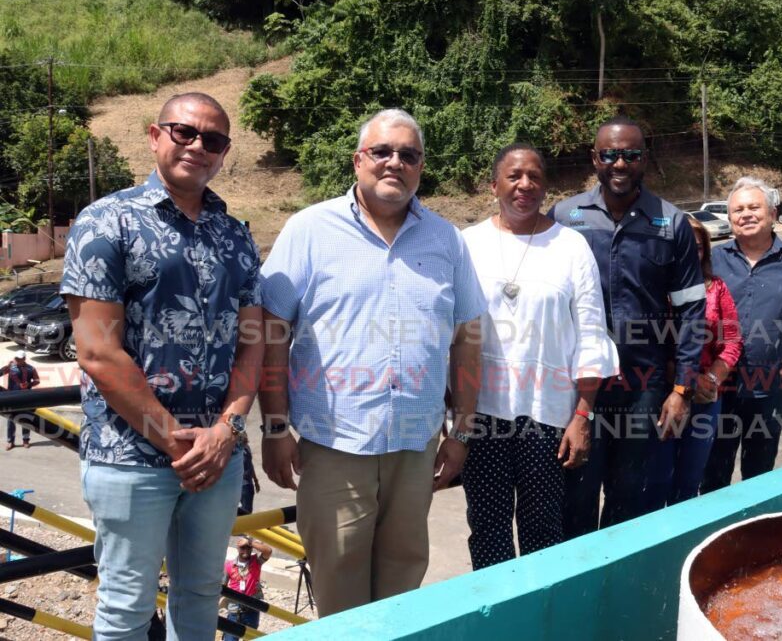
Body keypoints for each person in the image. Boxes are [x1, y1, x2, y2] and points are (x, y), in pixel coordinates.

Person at [258, 108, 486, 615]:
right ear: (357, 160)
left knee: (402, 590)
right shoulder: (309, 230)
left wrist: (462, 431)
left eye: (408, 154)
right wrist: (275, 428)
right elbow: (269, 332)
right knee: (340, 598)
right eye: (381, 151)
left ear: (421, 167)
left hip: (415, 449)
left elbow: (468, 338)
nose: (394, 163)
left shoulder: (446, 240)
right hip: (335, 447)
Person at [62, 92, 264, 640]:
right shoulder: (106, 222)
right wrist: (178, 441)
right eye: (184, 132)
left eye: (214, 139)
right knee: (126, 610)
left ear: (225, 152)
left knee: (200, 599)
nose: (198, 146)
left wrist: (228, 430)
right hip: (130, 457)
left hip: (217, 459)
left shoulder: (235, 234)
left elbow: (253, 343)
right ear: (155, 136)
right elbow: (98, 351)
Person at [460, 144, 618, 569]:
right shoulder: (466, 244)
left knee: (544, 532)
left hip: (549, 417)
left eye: (534, 176)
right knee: (488, 530)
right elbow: (450, 332)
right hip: (482, 417)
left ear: (545, 186)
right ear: (494, 185)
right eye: (513, 176)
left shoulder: (571, 247)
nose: (524, 185)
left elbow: (590, 334)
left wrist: (582, 416)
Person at [549, 116, 706, 536]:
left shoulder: (671, 224)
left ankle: (613, 590)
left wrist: (681, 390)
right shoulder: (564, 217)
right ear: (594, 158)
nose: (620, 163)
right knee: (575, 494)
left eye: (631, 154)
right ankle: (578, 588)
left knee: (628, 496)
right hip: (579, 383)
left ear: (644, 159)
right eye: (610, 154)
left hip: (643, 387)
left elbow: (693, 312)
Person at [700, 176, 782, 492]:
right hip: (718, 389)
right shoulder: (711, 261)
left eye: (754, 207)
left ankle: (752, 535)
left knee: (760, 474)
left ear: (773, 213)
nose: (746, 214)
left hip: (771, 387)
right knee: (711, 475)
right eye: (738, 210)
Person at [667, 218, 742, 504]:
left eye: (696, 248)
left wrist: (710, 379)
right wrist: (682, 378)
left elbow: (733, 340)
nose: (688, 254)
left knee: (689, 482)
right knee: (656, 481)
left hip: (705, 399)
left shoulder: (717, 289)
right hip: (663, 396)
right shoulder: (652, 289)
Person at [222, 535, 272, 641]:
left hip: (252, 609)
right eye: (242, 547)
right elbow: (222, 587)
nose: (246, 550)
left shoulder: (256, 562)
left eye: (248, 547)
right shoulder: (229, 565)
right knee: (230, 638)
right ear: (237, 548)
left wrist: (250, 541)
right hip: (234, 610)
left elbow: (268, 551)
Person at [3, 350, 39, 450]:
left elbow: (37, 380)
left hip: (25, 398)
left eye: (20, 359)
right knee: (11, 420)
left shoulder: (31, 369)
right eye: (16, 358)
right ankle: (10, 441)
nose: (17, 360)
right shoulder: (11, 367)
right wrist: (7, 366)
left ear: (24, 359)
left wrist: (30, 384)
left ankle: (26, 440)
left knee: (26, 419)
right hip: (12, 397)